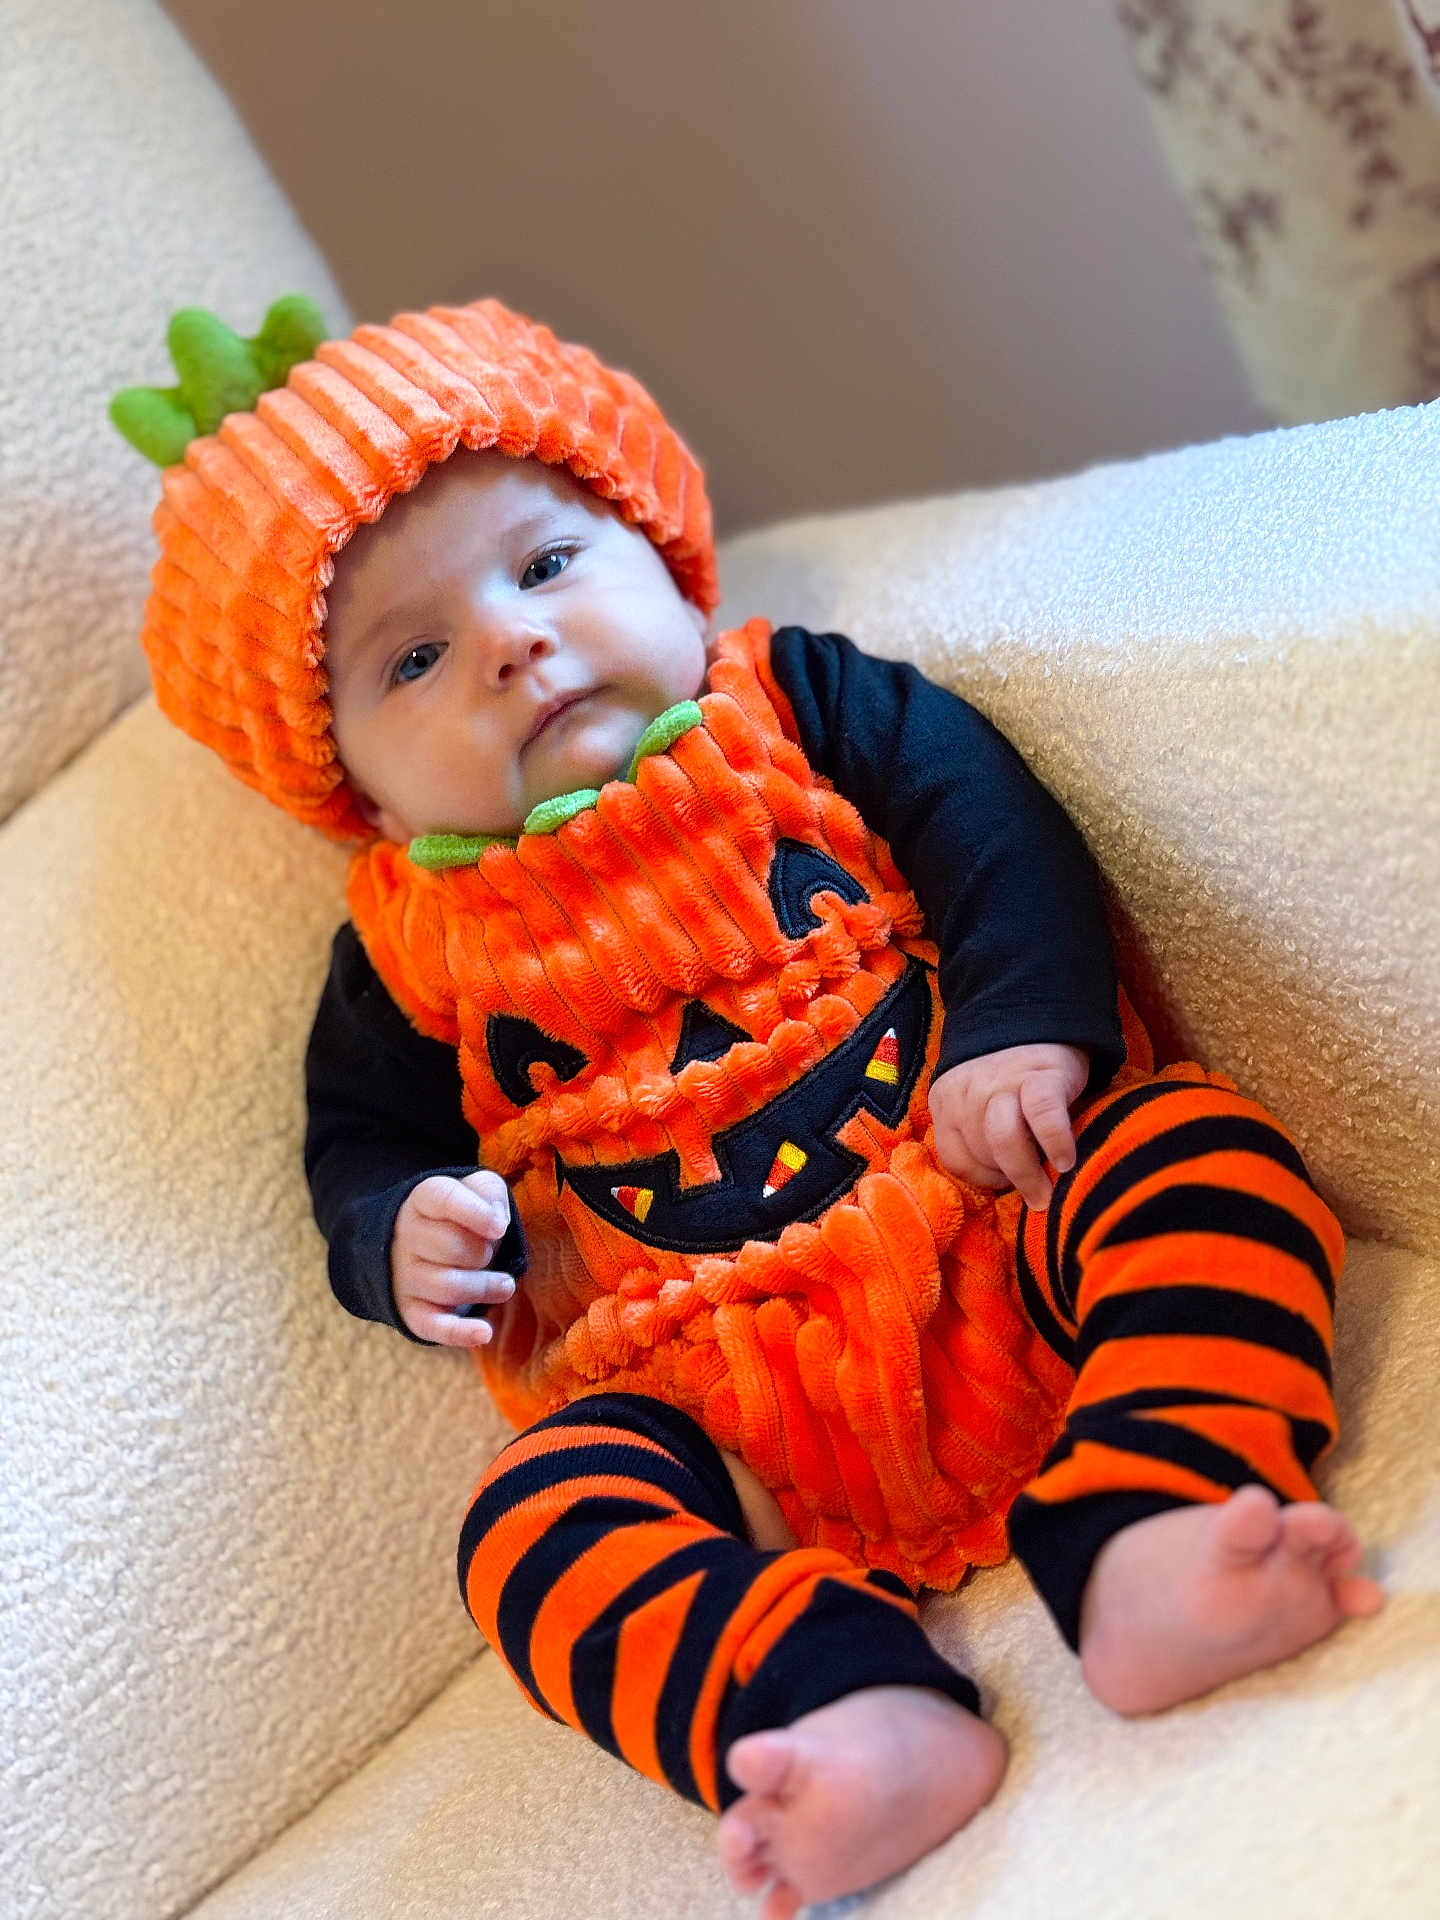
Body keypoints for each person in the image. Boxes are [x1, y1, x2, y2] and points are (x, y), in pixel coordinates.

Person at [122, 296, 1383, 1920]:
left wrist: (1026, 1027)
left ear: (665, 556)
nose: (511, 642)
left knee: (1201, 1156)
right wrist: (395, 1236)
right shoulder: (398, 947)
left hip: (991, 1210)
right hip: (710, 1414)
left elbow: (988, 828)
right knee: (526, 1528)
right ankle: (826, 1704)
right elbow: (358, 1145)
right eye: (415, 658)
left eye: (549, 566)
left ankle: (1165, 1506)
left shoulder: (794, 705)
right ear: (353, 785)